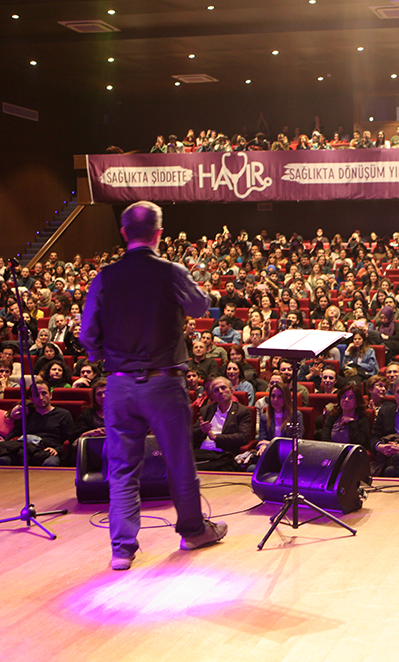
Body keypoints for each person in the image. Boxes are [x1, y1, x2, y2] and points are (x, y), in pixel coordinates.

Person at [81, 201, 227, 571]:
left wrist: (106, 354)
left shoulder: (106, 276)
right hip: (164, 382)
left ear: (123, 232)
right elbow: (200, 305)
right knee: (178, 460)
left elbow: (87, 334)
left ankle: (122, 549)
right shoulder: (170, 271)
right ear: (159, 233)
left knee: (122, 468)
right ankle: (193, 530)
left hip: (119, 385)